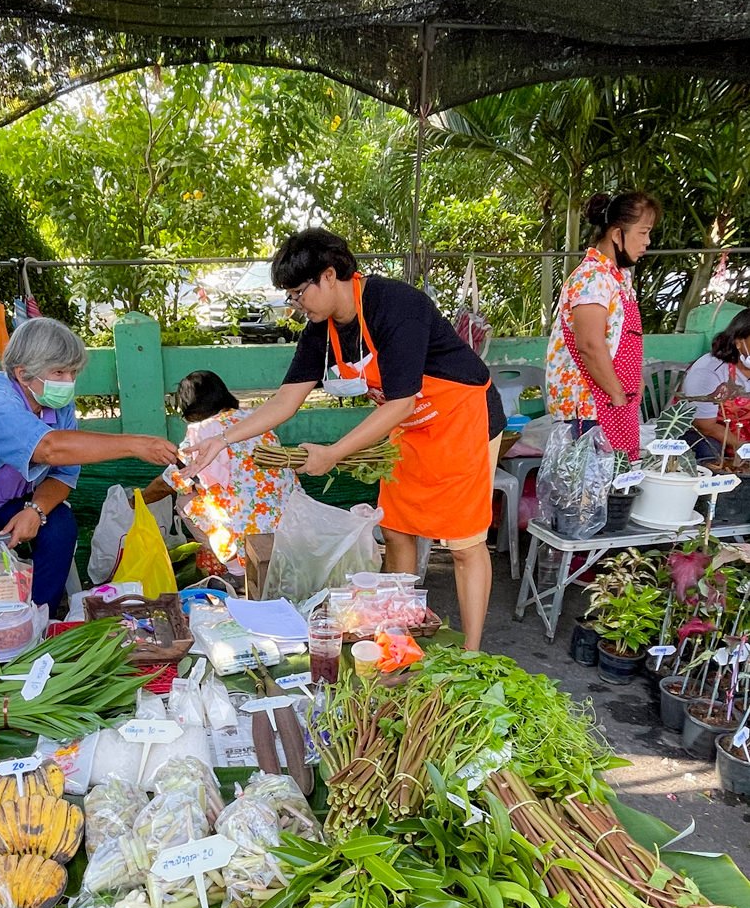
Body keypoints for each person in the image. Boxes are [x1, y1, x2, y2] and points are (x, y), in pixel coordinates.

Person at [182, 229, 506, 652]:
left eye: (299, 293)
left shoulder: (395, 306)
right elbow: (286, 399)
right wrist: (222, 440)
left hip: (462, 418)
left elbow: (402, 401)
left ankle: (472, 653)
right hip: (410, 429)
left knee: (464, 544)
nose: (297, 305)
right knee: (396, 531)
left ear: (330, 275)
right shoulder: (321, 328)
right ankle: (398, 638)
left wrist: (333, 454)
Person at [0, 317, 177, 610]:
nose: (68, 382)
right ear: (23, 374)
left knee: (59, 525)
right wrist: (134, 444)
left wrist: (36, 510)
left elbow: (64, 475)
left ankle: (40, 616)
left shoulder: (57, 406)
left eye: (73, 372)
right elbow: (48, 449)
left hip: (7, 505)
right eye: (59, 372)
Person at [140, 370, 299, 576]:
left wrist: (135, 502)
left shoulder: (200, 433)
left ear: (191, 408)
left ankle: (238, 570)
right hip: (294, 527)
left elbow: (168, 483)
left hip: (248, 538)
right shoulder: (257, 420)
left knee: (183, 499)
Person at [544, 189, 661, 458]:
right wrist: (618, 396)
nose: (647, 241)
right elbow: (589, 345)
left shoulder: (618, 278)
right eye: (642, 232)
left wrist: (631, 389)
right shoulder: (591, 277)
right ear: (616, 233)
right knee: (588, 495)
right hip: (588, 408)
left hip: (612, 403)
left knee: (615, 490)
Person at [678, 309, 750, 459]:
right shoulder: (709, 370)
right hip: (705, 433)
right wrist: (743, 448)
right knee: (709, 450)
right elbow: (706, 427)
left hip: (743, 434)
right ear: (738, 341)